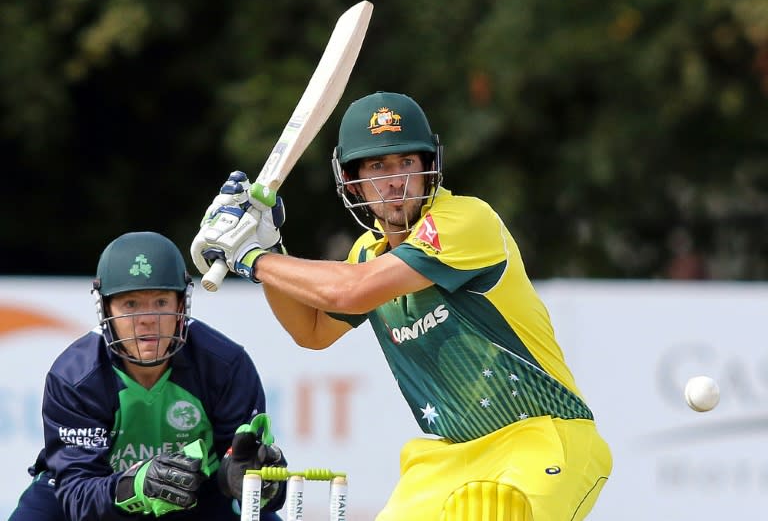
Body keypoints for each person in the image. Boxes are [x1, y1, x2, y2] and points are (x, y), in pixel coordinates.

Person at [191, 91, 613, 520]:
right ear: (352, 181)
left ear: (429, 168)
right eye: (378, 167)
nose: (395, 181)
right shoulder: (365, 254)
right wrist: (268, 244)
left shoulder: (466, 220)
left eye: (407, 163)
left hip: (540, 438)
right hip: (450, 459)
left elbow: (351, 291)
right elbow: (311, 331)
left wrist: (251, 258)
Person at [10, 231, 286, 521]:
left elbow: (261, 485)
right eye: (130, 304)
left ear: (181, 305)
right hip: (103, 492)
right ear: (105, 308)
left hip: (197, 496)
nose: (146, 319)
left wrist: (254, 480)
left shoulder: (226, 366)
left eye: (161, 302)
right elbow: (78, 494)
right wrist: (135, 485)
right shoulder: (75, 376)